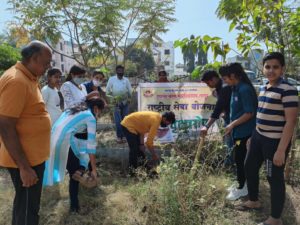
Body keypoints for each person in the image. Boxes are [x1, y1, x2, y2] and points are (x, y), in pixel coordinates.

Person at [240, 52, 299, 225]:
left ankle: (275, 219)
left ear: (283, 69)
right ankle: (253, 200)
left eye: (275, 67)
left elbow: (291, 121)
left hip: (274, 142)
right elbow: (260, 113)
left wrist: (281, 150)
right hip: (258, 136)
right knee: (249, 166)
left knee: (274, 178)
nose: (271, 70)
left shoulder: (288, 89)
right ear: (262, 68)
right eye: (267, 67)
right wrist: (254, 136)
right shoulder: (264, 87)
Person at [0, 41, 52, 225]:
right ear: (33, 59)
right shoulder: (16, 81)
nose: (48, 68)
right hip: (25, 161)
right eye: (46, 63)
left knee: (26, 207)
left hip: (32, 159)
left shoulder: (29, 78)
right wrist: (24, 167)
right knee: (27, 212)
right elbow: (5, 125)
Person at [43, 98, 105, 213]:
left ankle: (80, 171)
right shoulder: (90, 117)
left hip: (52, 140)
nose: (98, 115)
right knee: (75, 174)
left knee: (78, 166)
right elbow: (91, 146)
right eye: (100, 112)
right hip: (64, 142)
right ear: (96, 108)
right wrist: (94, 170)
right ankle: (74, 208)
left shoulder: (72, 110)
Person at [219, 62, 258, 201]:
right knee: (238, 159)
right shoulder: (235, 88)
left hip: (246, 133)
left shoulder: (244, 89)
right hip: (237, 131)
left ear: (233, 75)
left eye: (225, 78)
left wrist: (232, 125)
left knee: (241, 160)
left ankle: (243, 188)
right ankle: (241, 184)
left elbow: (249, 113)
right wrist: (231, 126)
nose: (224, 81)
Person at [199, 70, 233, 165]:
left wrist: (207, 126)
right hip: (228, 118)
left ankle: (230, 166)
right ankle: (229, 164)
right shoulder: (220, 88)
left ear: (214, 79)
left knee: (230, 144)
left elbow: (217, 109)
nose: (208, 85)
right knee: (228, 143)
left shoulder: (224, 88)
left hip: (233, 120)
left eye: (208, 82)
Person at [106, 65, 132, 143]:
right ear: (116, 71)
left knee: (125, 120)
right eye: (119, 71)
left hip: (125, 102)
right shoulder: (111, 79)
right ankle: (119, 136)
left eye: (122, 71)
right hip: (115, 102)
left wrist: (129, 99)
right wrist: (112, 99)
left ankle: (124, 136)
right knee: (118, 120)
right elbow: (107, 91)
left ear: (123, 72)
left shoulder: (126, 80)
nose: (120, 72)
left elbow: (130, 90)